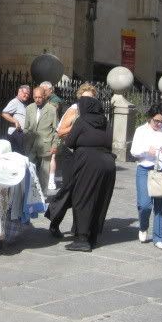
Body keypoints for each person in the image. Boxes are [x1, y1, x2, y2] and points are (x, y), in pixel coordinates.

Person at [63, 96, 116, 252]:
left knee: (82, 198)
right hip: (107, 163)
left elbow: (69, 142)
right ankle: (93, 235)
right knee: (100, 198)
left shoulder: (81, 121)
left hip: (87, 163)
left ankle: (82, 239)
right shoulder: (106, 122)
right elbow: (109, 143)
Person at [45, 82, 98, 238]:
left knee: (83, 191)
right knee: (69, 189)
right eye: (84, 98)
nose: (88, 101)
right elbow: (60, 131)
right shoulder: (74, 110)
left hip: (86, 154)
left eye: (91, 98)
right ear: (79, 98)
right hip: (70, 154)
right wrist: (78, 124)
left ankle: (78, 227)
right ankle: (54, 219)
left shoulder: (95, 112)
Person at [130, 102, 162, 250]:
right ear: (150, 118)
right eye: (156, 120)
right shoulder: (141, 130)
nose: (159, 124)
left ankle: (158, 237)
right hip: (145, 168)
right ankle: (143, 226)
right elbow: (134, 151)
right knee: (144, 204)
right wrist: (146, 150)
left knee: (161, 205)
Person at [23, 86, 58, 195]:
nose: (37, 99)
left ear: (44, 96)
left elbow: (56, 130)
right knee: (30, 171)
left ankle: (42, 196)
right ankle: (30, 195)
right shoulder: (29, 108)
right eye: (35, 97)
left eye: (40, 97)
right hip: (31, 145)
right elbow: (26, 127)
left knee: (44, 174)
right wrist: (25, 141)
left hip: (45, 145)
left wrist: (55, 145)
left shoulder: (52, 109)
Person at [40, 81, 61, 190]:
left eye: (44, 90)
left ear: (50, 90)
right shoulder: (44, 99)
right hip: (44, 131)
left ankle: (51, 180)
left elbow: (52, 110)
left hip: (53, 131)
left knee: (52, 156)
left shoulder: (54, 99)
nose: (42, 92)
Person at [1, 84, 30, 154]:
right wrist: (15, 121)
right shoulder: (15, 102)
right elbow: (4, 113)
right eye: (25, 93)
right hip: (15, 134)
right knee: (17, 155)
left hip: (21, 134)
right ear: (19, 91)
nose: (27, 95)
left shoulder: (22, 103)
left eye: (28, 94)